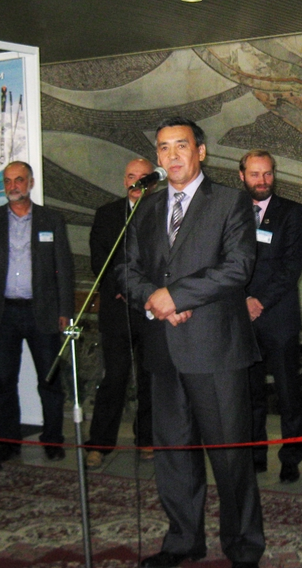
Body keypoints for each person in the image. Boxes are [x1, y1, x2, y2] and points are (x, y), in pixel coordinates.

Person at [122, 118, 264, 568]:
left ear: (200, 151)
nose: (172, 155)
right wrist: (156, 301)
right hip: (163, 349)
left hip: (215, 349)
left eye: (181, 145)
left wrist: (178, 296)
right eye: (164, 148)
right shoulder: (146, 206)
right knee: (173, 455)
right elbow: (127, 268)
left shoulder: (230, 201)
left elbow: (238, 266)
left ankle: (242, 544)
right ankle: (183, 541)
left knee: (230, 456)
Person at [0, 161, 74, 462]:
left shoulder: (50, 219)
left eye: (19, 180)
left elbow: (64, 268)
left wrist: (65, 309)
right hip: (3, 313)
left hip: (42, 311)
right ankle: (9, 441)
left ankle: (52, 439)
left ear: (30, 183)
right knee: (4, 381)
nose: (13, 186)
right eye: (8, 181)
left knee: (49, 380)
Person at [239, 149, 302, 484]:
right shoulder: (231, 210)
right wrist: (243, 300)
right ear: (242, 176)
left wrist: (259, 301)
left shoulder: (292, 212)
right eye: (255, 174)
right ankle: (255, 455)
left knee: (288, 393)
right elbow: (222, 262)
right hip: (241, 317)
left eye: (267, 173)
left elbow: (290, 268)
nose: (262, 180)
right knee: (249, 393)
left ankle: (291, 458)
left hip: (278, 317)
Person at [85, 157, 156, 467]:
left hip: (152, 308)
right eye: (131, 176)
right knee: (114, 377)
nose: (136, 182)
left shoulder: (165, 212)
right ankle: (99, 444)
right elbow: (99, 259)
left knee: (150, 379)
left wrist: (144, 292)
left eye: (143, 177)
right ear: (124, 180)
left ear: (153, 183)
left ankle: (147, 439)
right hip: (117, 308)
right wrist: (124, 289)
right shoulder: (107, 214)